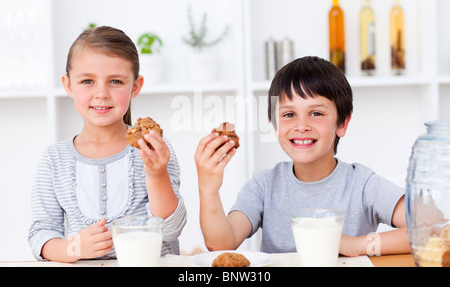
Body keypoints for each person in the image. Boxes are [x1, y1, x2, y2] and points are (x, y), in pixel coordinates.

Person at [195, 56, 410, 256]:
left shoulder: (362, 184)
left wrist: (355, 245)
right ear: (274, 125)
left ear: (342, 123)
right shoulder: (263, 186)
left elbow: (431, 229)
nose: (301, 126)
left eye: (316, 113)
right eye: (289, 115)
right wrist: (208, 190)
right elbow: (222, 244)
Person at [28, 26, 186, 262]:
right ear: (68, 85)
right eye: (87, 81)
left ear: (135, 86)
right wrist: (73, 248)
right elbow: (41, 234)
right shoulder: (54, 159)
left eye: (115, 81)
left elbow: (170, 231)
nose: (101, 93)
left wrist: (156, 174)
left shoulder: (154, 150)